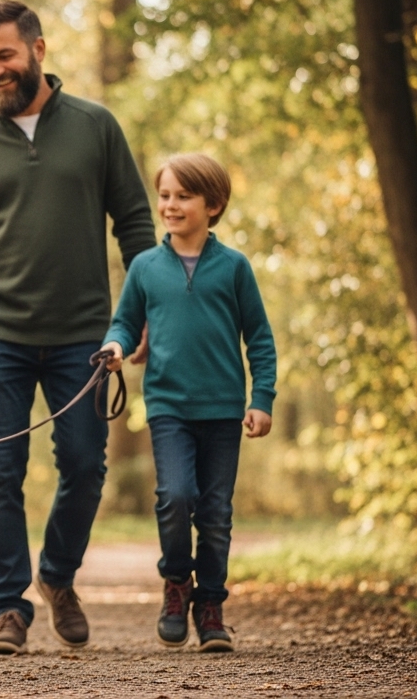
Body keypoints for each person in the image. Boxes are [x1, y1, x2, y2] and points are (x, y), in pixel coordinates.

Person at [0, 0, 156, 654]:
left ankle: (56, 576)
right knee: (0, 470)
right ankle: (8, 608)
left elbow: (135, 222)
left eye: (5, 56)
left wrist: (146, 314)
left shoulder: (95, 127)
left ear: (38, 51)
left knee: (84, 465)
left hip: (86, 332)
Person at [100, 153, 276, 652]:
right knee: (176, 496)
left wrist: (261, 398)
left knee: (216, 512)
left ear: (213, 204)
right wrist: (116, 346)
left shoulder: (235, 268)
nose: (170, 205)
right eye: (165, 195)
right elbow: (125, 323)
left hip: (223, 409)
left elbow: (259, 339)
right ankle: (177, 583)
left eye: (183, 196)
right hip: (168, 407)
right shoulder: (146, 268)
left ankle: (211, 607)